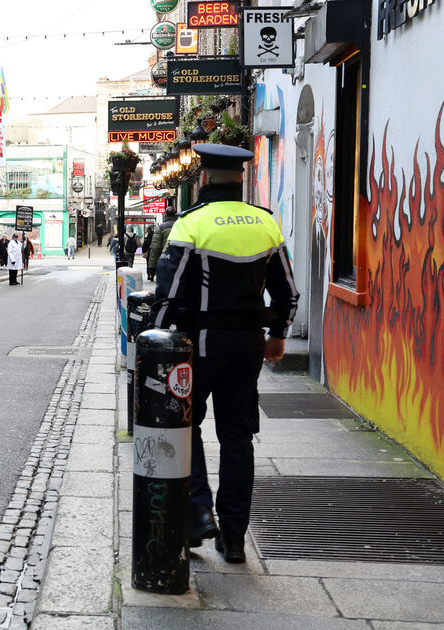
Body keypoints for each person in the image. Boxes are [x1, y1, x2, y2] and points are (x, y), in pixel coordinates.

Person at [148, 144, 299, 564]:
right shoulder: (265, 223)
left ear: (204, 178)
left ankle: (199, 511)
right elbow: (287, 292)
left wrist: (152, 341)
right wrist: (278, 335)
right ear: (240, 178)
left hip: (199, 347)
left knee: (186, 425)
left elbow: (168, 294)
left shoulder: (191, 224)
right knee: (238, 437)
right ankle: (233, 537)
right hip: (247, 347)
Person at [147, 206, 178, 282]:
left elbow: (155, 248)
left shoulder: (161, 227)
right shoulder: (182, 226)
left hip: (164, 259)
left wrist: (152, 266)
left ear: (166, 215)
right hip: (178, 259)